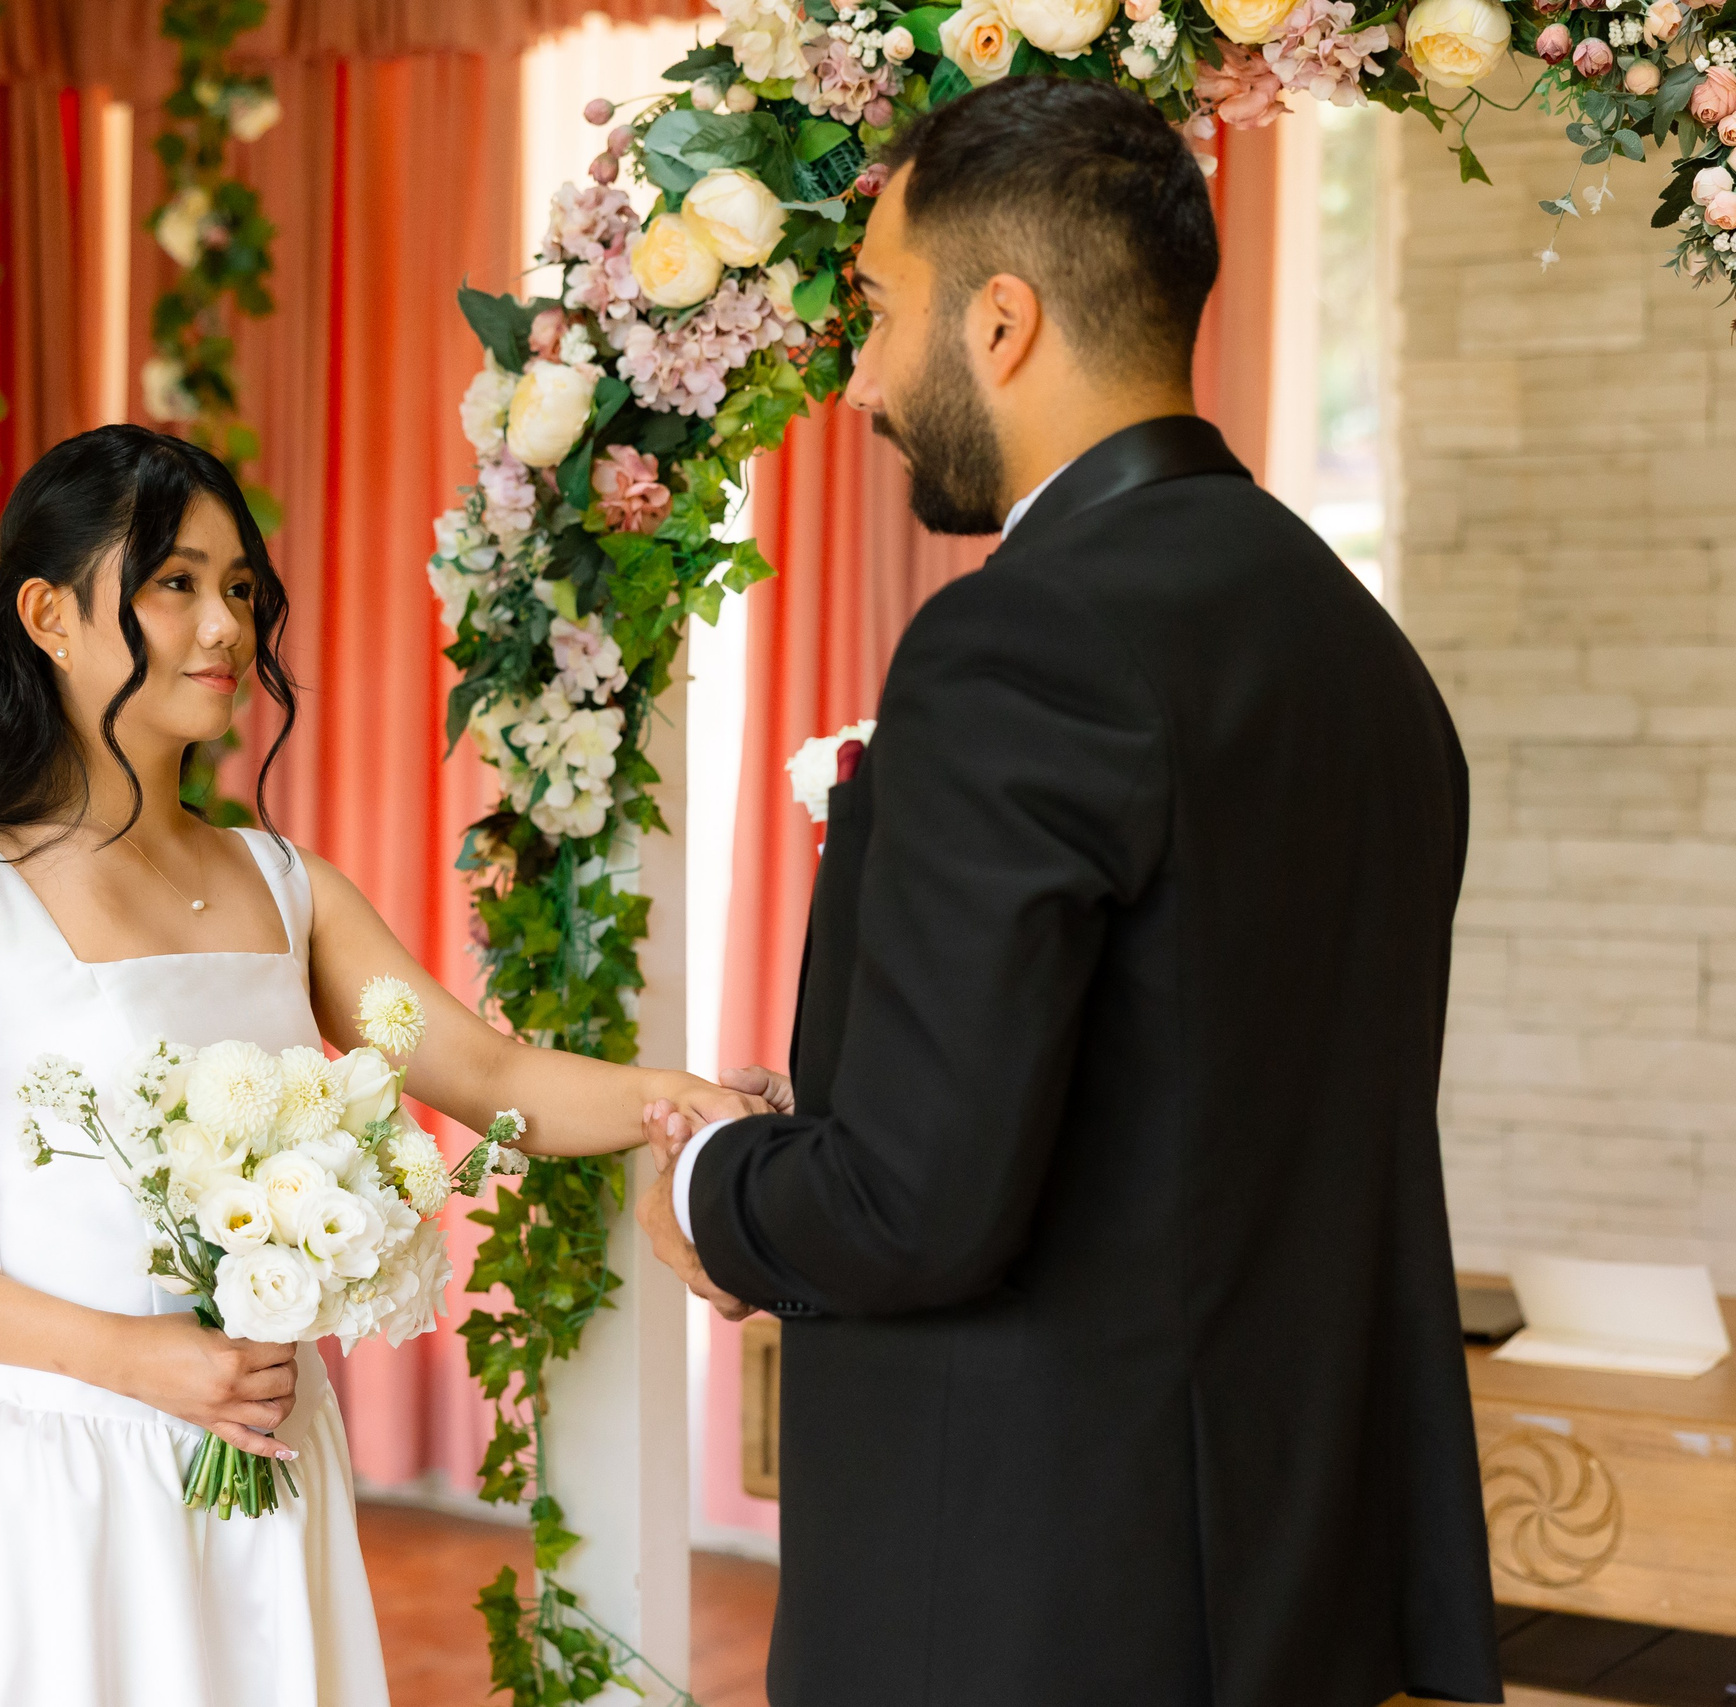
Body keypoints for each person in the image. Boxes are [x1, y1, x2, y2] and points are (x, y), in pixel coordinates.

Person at [636, 78, 1506, 1707]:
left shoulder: (1019, 639)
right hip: (1283, 1593)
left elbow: (920, 1200)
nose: (867, 384)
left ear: (1004, 321)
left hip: (1031, 1605)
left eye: (881, 317)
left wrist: (707, 1178)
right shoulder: (1355, 648)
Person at [0, 424, 759, 1707]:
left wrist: (692, 1108)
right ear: (48, 615)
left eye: (239, 587)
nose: (225, 625)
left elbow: (490, 1079)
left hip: (264, 1467)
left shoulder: (285, 887)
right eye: (175, 581)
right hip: (58, 1497)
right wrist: (121, 1355)